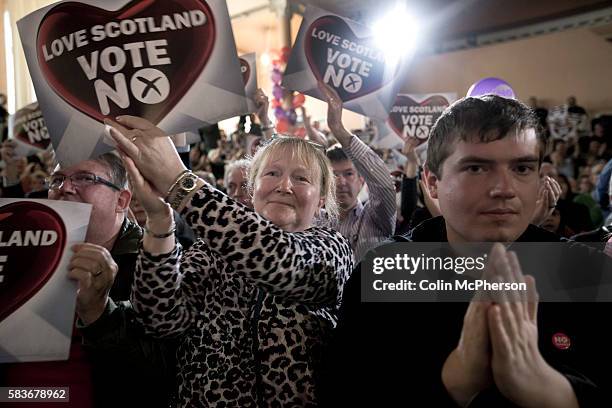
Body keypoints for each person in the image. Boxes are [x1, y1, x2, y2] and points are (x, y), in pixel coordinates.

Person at [321, 95, 611, 407]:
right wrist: (456, 380)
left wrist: (556, 391)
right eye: (476, 168)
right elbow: (344, 391)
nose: (504, 188)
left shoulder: (584, 270)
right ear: (432, 183)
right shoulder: (387, 273)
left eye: (522, 168)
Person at [107, 116, 353, 407]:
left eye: (301, 178)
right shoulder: (211, 249)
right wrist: (160, 221)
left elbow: (279, 259)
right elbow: (159, 319)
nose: (285, 186)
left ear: (322, 198)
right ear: (253, 187)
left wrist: (180, 182)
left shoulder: (332, 249)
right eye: (272, 173)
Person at [1, 152, 177, 408]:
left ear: (121, 200)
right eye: (57, 179)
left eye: (84, 178)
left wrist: (99, 314)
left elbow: (160, 380)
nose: (65, 188)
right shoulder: (21, 250)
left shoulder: (156, 261)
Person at [319, 82, 397, 261]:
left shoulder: (377, 217)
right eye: (334, 175)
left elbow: (384, 185)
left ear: (362, 180)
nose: (341, 181)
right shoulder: (315, 220)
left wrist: (338, 129)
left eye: (348, 173)